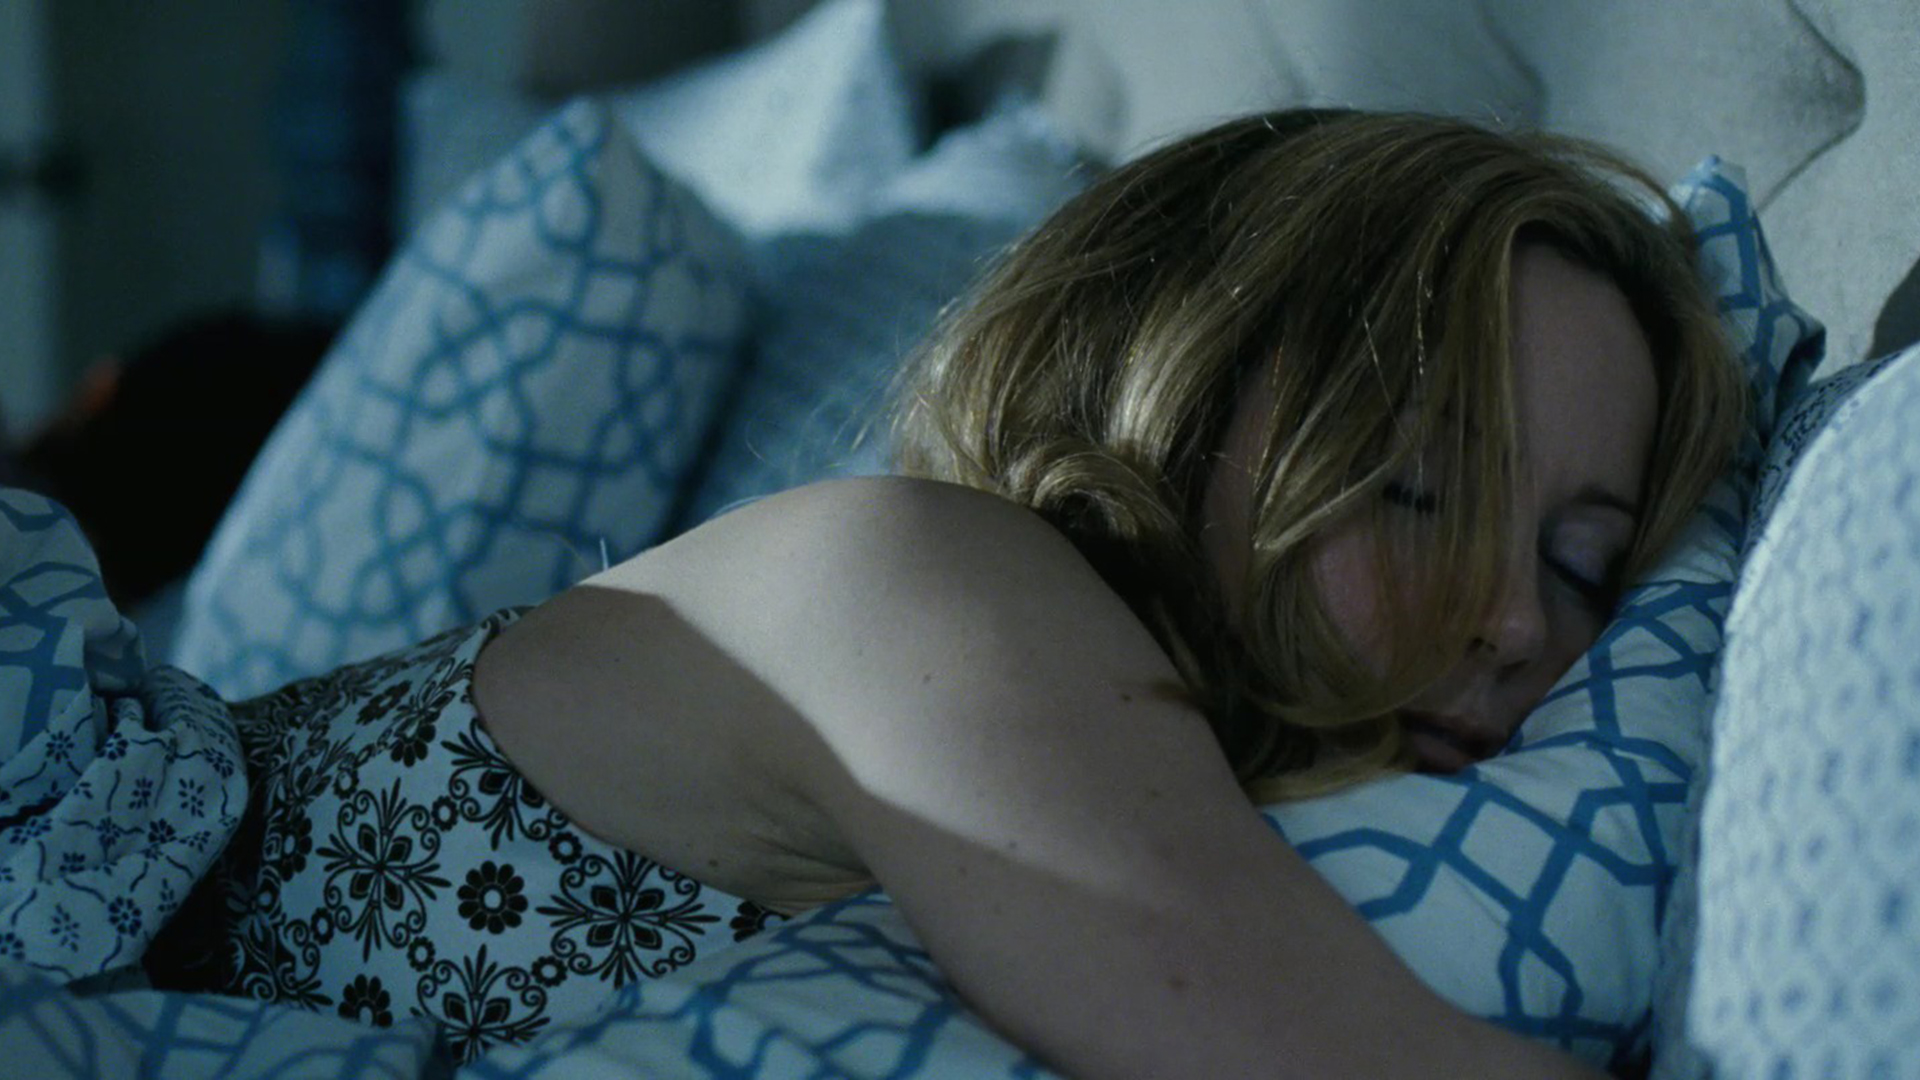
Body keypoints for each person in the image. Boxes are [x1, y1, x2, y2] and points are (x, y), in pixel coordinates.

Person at [149, 110, 1746, 1075]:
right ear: (1178, 387)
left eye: (1585, 563)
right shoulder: (930, 579)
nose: (1517, 625)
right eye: (1411, 486)